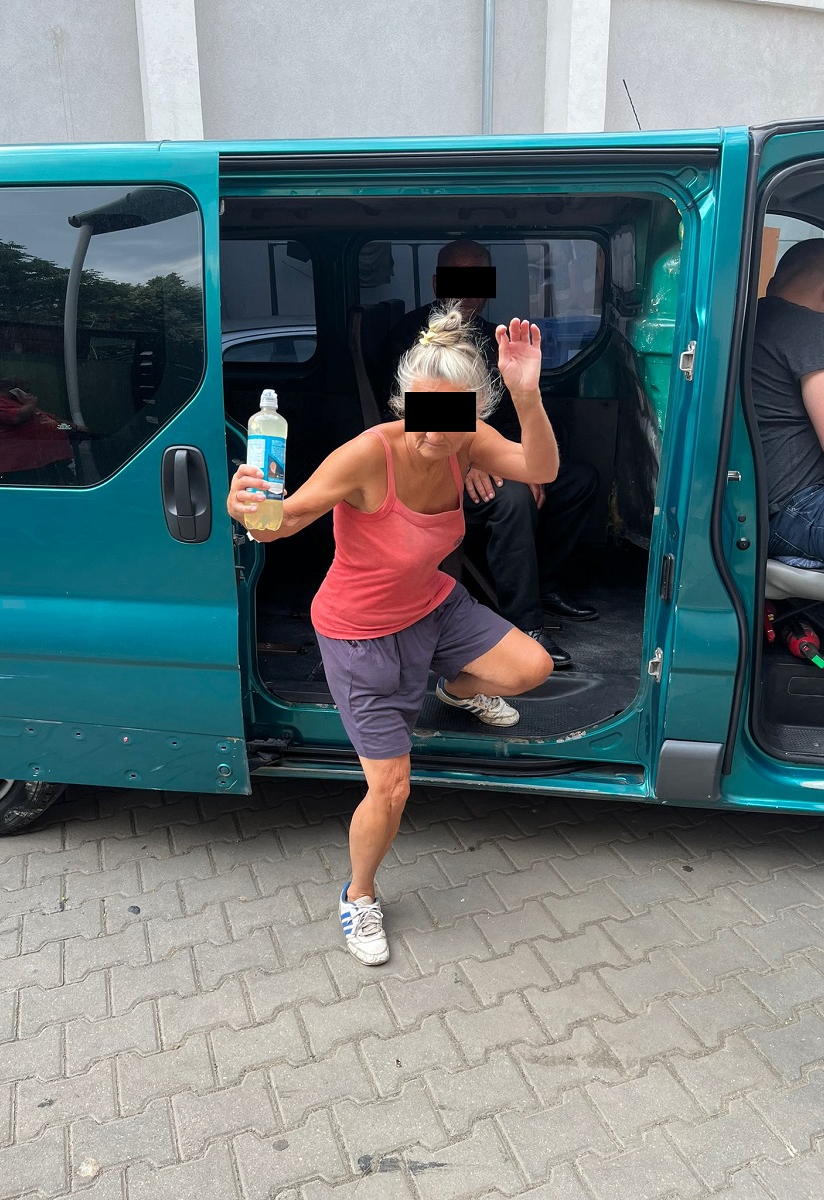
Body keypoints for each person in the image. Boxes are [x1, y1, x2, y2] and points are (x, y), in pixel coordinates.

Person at [227, 306, 555, 966]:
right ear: (403, 401)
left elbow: (539, 468)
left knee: (532, 668)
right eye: (421, 413)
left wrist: (527, 395)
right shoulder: (368, 455)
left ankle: (456, 689)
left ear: (473, 411)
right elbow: (283, 521)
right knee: (392, 789)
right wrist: (249, 508)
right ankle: (359, 894)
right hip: (361, 633)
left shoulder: (467, 440)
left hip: (433, 606)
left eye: (452, 416)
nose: (434, 433)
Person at [387, 239, 599, 671]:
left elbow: (511, 414)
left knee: (579, 481)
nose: (468, 291)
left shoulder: (493, 337)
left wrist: (526, 463)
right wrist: (468, 461)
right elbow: (411, 417)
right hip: (435, 467)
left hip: (493, 455)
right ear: (436, 284)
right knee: (514, 500)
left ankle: (544, 584)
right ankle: (524, 627)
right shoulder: (412, 337)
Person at [754, 239, 824, 565]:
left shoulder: (749, 320)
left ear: (773, 282)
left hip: (760, 508)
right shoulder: (810, 326)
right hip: (801, 507)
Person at [0, 378, 78, 484]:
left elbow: (49, 419)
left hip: (49, 461)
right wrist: (30, 404)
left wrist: (74, 427)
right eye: (26, 391)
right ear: (14, 391)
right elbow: (16, 418)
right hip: (19, 464)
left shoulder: (19, 403)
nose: (29, 394)